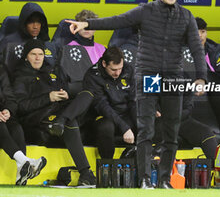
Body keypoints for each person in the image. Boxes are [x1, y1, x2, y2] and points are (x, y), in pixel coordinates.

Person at [66, 0, 207, 189]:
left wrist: (201, 77)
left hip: (172, 77)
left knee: (171, 131)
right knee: (147, 130)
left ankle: (163, 180)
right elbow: (117, 20)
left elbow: (197, 49)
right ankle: (143, 179)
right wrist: (88, 24)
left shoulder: (186, 16)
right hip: (149, 75)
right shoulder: (146, 11)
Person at [13, 39, 96, 185]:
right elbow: (20, 106)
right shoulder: (20, 76)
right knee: (71, 122)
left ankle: (62, 120)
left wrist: (66, 93)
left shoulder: (52, 70)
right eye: (33, 54)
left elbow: (63, 87)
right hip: (39, 116)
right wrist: (48, 97)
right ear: (26, 56)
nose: (38, 58)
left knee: (88, 93)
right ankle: (85, 173)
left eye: (41, 54)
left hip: (60, 110)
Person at [83, 47, 136, 158]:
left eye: (120, 69)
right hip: (103, 117)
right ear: (104, 63)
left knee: (151, 123)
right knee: (106, 127)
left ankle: (137, 161)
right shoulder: (92, 75)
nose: (117, 73)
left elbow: (133, 100)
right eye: (113, 69)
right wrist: (124, 127)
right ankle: (107, 166)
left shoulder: (128, 69)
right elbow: (102, 106)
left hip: (125, 114)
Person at [0, 63, 46, 185]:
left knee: (16, 128)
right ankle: (25, 161)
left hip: (2, 115)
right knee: (1, 127)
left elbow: (9, 97)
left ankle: (21, 171)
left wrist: (8, 110)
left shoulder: (1, 69)